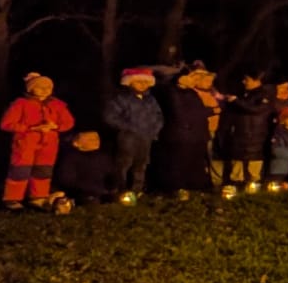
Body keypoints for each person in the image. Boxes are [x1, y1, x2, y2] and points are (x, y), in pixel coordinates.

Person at [2, 73, 74, 209]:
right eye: (41, 87)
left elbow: (69, 122)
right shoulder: (20, 104)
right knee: (20, 171)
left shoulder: (57, 104)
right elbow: (7, 124)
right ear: (31, 88)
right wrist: (31, 128)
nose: (45, 90)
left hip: (49, 144)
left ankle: (38, 197)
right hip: (25, 143)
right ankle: (12, 199)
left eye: (48, 87)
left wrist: (56, 126)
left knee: (43, 171)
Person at [158, 65, 218, 195]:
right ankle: (177, 189)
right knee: (179, 163)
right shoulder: (172, 92)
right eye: (193, 78)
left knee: (196, 163)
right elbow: (181, 113)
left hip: (198, 134)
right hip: (182, 135)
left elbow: (198, 110)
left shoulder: (192, 93)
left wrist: (205, 112)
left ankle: (196, 186)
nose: (195, 81)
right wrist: (211, 110)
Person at [103, 67, 163, 195]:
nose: (142, 85)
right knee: (124, 163)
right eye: (139, 82)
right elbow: (111, 116)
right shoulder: (122, 98)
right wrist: (129, 128)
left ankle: (137, 190)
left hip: (146, 136)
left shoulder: (150, 100)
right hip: (128, 137)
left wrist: (155, 129)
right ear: (130, 82)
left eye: (145, 82)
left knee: (141, 164)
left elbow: (158, 116)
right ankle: (120, 190)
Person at [217, 74, 273, 187]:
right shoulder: (242, 95)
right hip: (239, 138)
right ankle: (236, 192)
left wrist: (236, 101)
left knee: (253, 171)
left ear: (257, 80)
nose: (243, 82)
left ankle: (253, 193)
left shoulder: (265, 94)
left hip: (256, 139)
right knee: (237, 171)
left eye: (247, 79)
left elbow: (256, 109)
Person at [53, 130, 118, 206]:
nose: (96, 141)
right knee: (91, 201)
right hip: (83, 192)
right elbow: (67, 180)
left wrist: (113, 186)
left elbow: (112, 174)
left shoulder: (103, 157)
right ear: (78, 142)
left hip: (102, 190)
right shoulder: (71, 157)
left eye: (97, 139)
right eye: (91, 140)